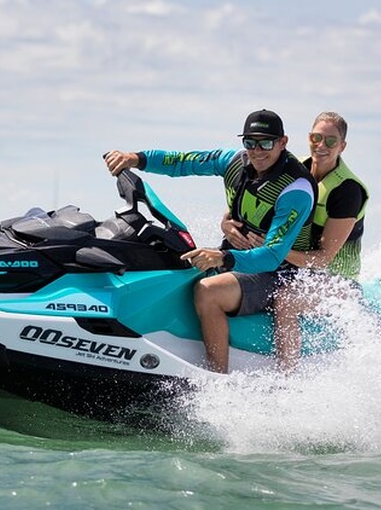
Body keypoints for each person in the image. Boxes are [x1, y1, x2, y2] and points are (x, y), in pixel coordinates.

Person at [104, 109, 317, 373]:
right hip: (238, 258)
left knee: (208, 291)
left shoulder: (295, 189)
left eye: (266, 143)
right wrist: (136, 159)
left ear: (283, 142)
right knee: (171, 262)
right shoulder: (233, 161)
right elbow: (183, 161)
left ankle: (216, 378)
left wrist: (223, 257)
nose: (257, 150)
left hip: (279, 274)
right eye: (250, 142)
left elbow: (273, 256)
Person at [221, 111, 369, 370]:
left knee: (286, 300)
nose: (321, 146)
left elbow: (323, 259)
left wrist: (273, 247)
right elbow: (242, 203)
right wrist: (226, 224)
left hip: (336, 280)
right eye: (316, 137)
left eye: (331, 141)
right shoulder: (292, 170)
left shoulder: (347, 191)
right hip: (292, 268)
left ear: (342, 146)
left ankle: (287, 377)